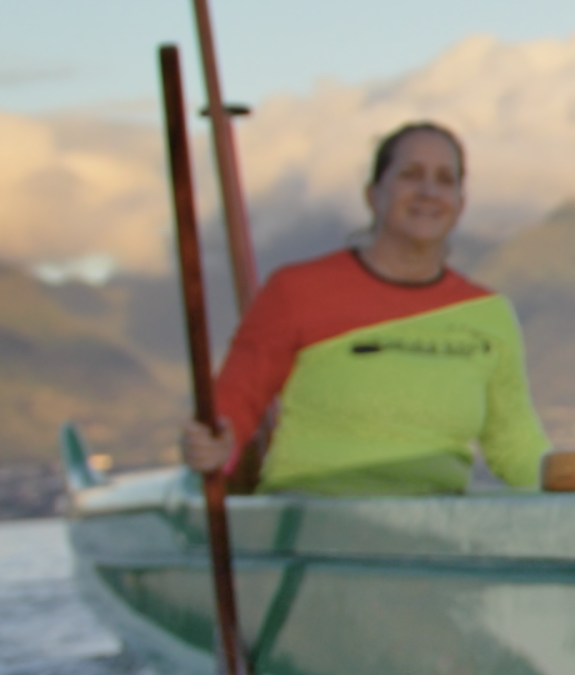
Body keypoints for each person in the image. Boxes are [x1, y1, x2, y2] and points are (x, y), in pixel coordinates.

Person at [181, 121, 548, 497]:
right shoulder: (296, 291)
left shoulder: (489, 314)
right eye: (410, 175)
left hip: (436, 536)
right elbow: (235, 402)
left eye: (445, 179)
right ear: (373, 194)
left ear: (460, 203)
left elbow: (514, 443)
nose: (428, 191)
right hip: (311, 528)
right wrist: (215, 444)